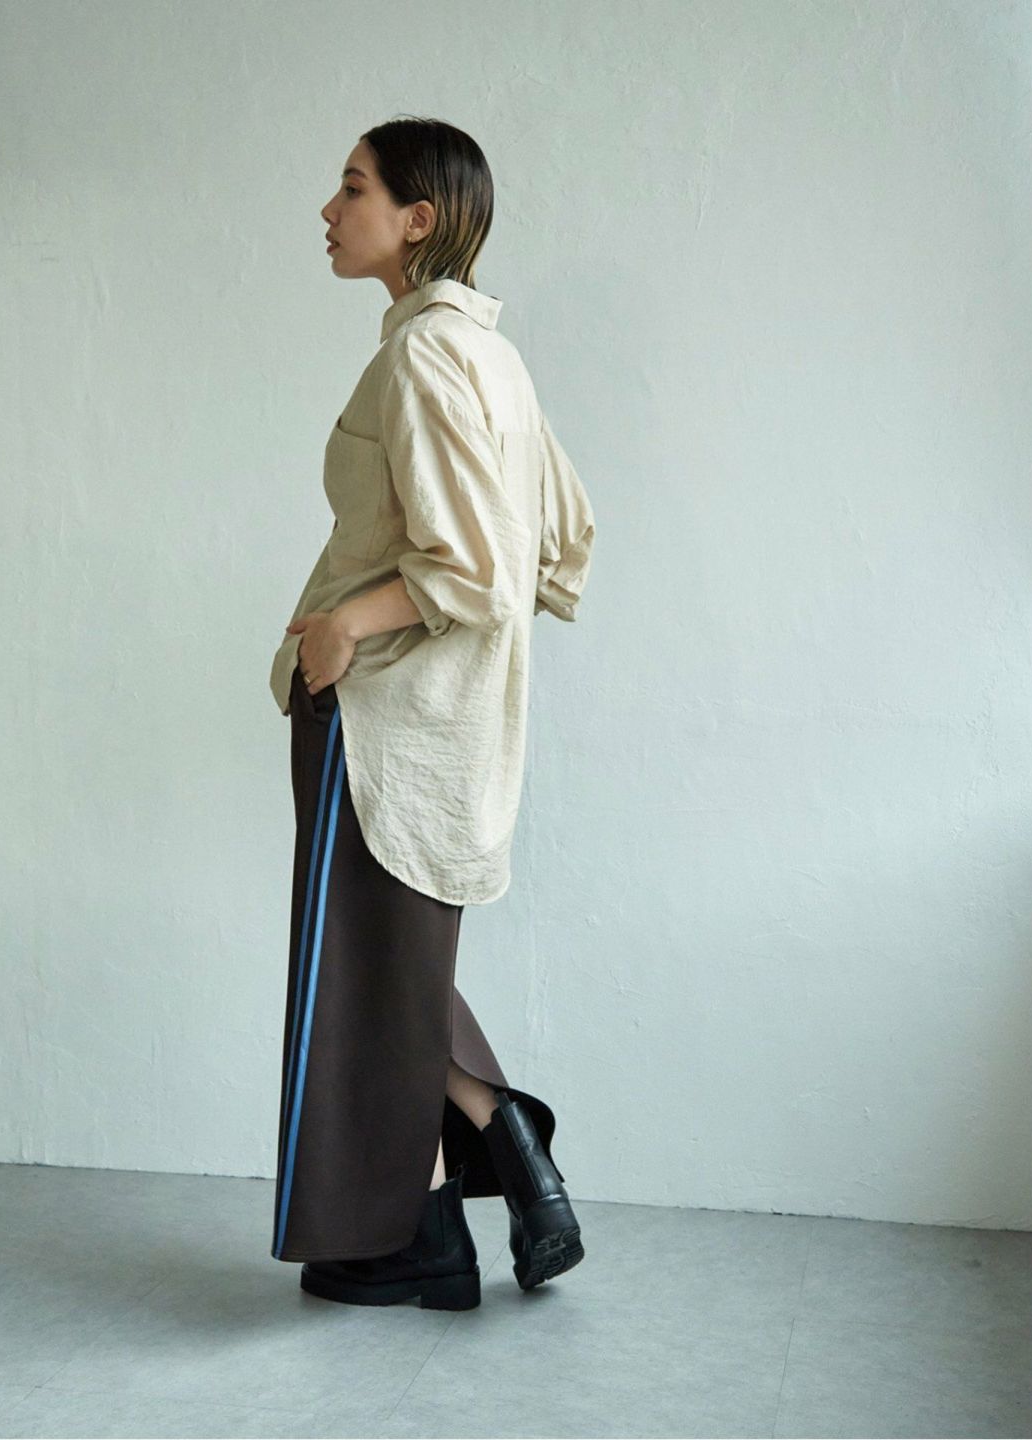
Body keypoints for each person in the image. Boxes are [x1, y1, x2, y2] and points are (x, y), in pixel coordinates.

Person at [267, 116, 596, 1311]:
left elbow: (481, 569)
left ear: (418, 218)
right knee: (383, 965)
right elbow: (564, 541)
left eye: (352, 188)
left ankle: (483, 1156)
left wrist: (348, 625)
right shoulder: (492, 357)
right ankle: (435, 1225)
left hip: (384, 712)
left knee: (363, 970)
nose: (328, 209)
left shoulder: (421, 358)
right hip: (451, 715)